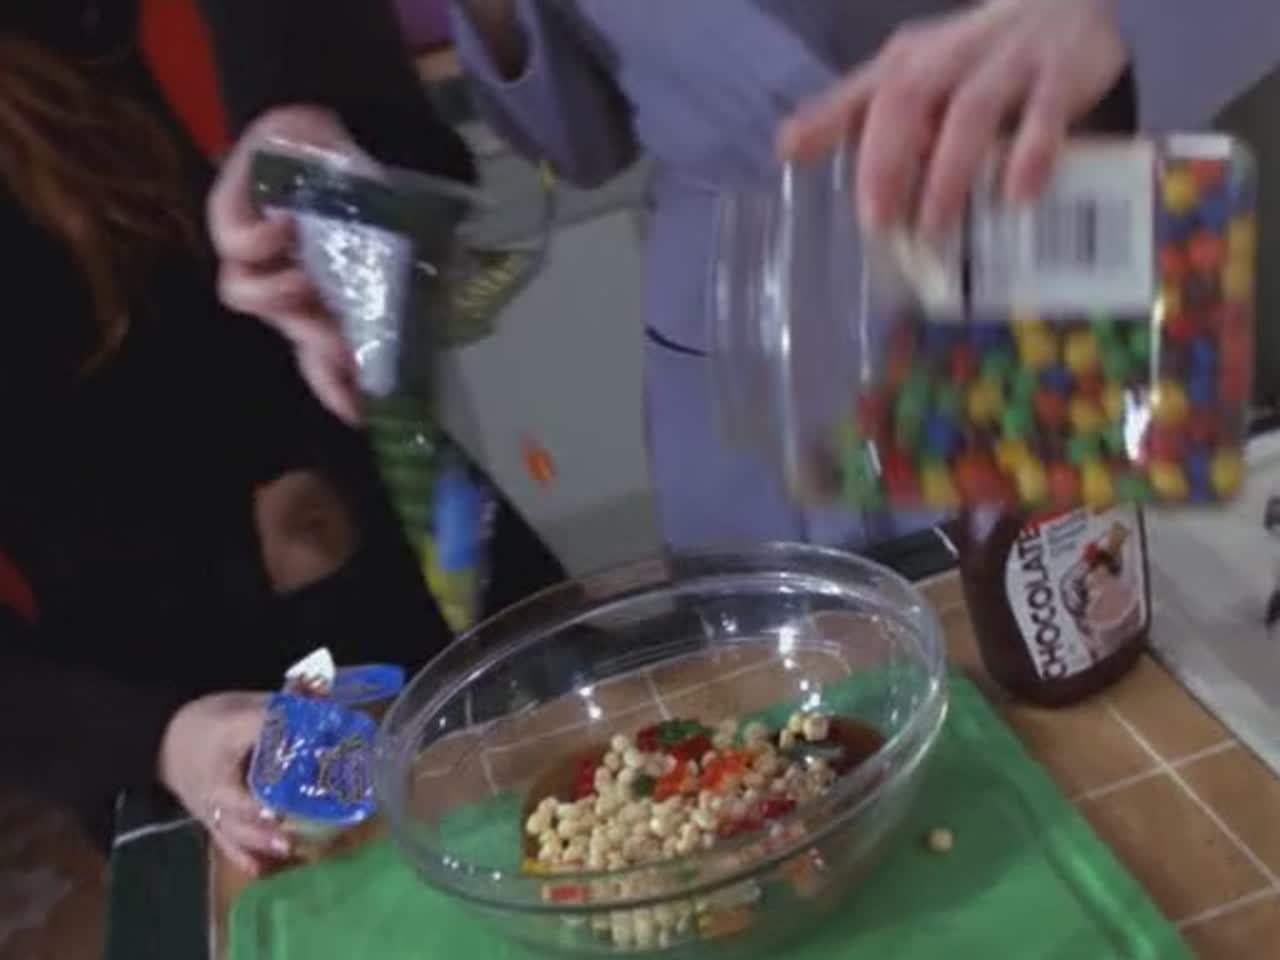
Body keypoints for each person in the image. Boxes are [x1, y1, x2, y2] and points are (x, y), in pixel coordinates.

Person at [363, 0, 1277, 556]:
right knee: (780, 733)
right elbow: (577, 143)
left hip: (1037, 229)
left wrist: (1114, 17)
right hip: (731, 334)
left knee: (1122, 688)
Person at [0, 0, 562, 876]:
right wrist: (158, 738)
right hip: (187, 719)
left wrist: (328, 147)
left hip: (434, 562)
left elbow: (356, 116)